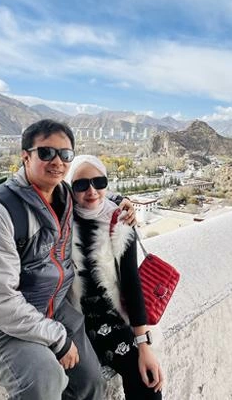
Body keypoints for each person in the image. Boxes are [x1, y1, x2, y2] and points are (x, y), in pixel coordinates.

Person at [0, 120, 135, 400]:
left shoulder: (64, 195)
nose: (57, 161)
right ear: (25, 156)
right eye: (46, 153)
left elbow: (90, 192)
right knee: (43, 381)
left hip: (51, 304)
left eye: (65, 155)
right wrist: (58, 338)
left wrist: (121, 200)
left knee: (91, 385)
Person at [65, 155, 164, 399]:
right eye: (81, 184)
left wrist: (144, 344)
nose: (91, 191)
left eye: (99, 182)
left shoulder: (120, 220)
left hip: (109, 317)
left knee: (147, 381)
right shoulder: (60, 218)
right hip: (70, 319)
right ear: (69, 187)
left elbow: (131, 282)